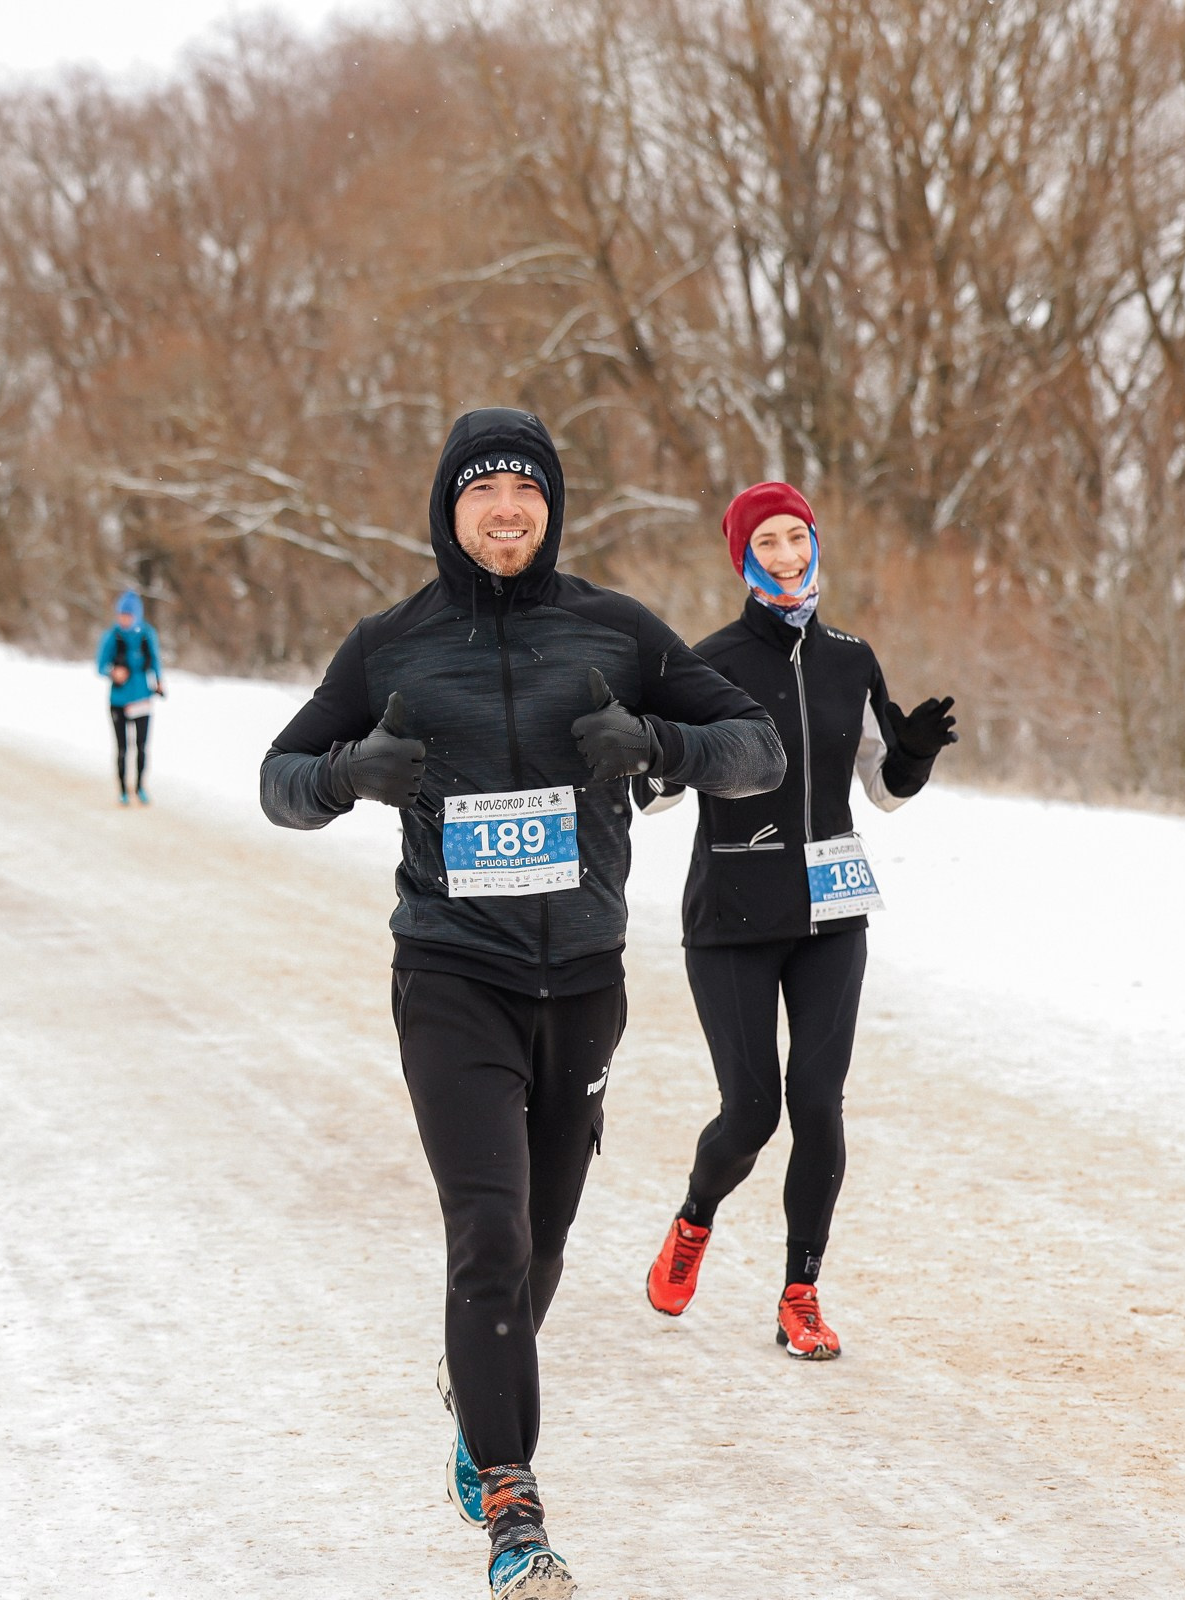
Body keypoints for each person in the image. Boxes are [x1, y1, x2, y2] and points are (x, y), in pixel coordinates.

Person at [261, 409, 784, 1600]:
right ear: (449, 510)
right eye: (483, 490)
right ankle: (514, 1508)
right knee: (488, 1234)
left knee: (540, 1245)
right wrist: (349, 775)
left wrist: (656, 743)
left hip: (584, 985)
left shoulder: (615, 630)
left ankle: (478, 1394)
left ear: (552, 508)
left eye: (528, 491)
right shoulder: (390, 647)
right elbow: (278, 783)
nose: (508, 509)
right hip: (453, 975)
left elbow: (755, 748)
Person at [637, 482, 958, 1359]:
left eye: (796, 537)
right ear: (742, 557)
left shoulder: (852, 659)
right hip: (733, 915)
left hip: (833, 913)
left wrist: (915, 758)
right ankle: (696, 1220)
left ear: (815, 543)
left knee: (818, 1104)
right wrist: (656, 756)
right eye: (766, 543)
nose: (786, 555)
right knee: (750, 1112)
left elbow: (882, 794)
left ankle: (800, 1293)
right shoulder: (709, 664)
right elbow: (654, 796)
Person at [95, 590, 164, 805]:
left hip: (142, 700)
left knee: (142, 747)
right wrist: (113, 672)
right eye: (120, 614)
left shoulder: (146, 634)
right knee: (122, 748)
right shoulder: (112, 636)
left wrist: (159, 680)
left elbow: (155, 661)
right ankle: (123, 789)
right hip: (118, 702)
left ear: (137, 615)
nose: (123, 619)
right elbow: (99, 666)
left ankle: (141, 786)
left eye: (128, 615)